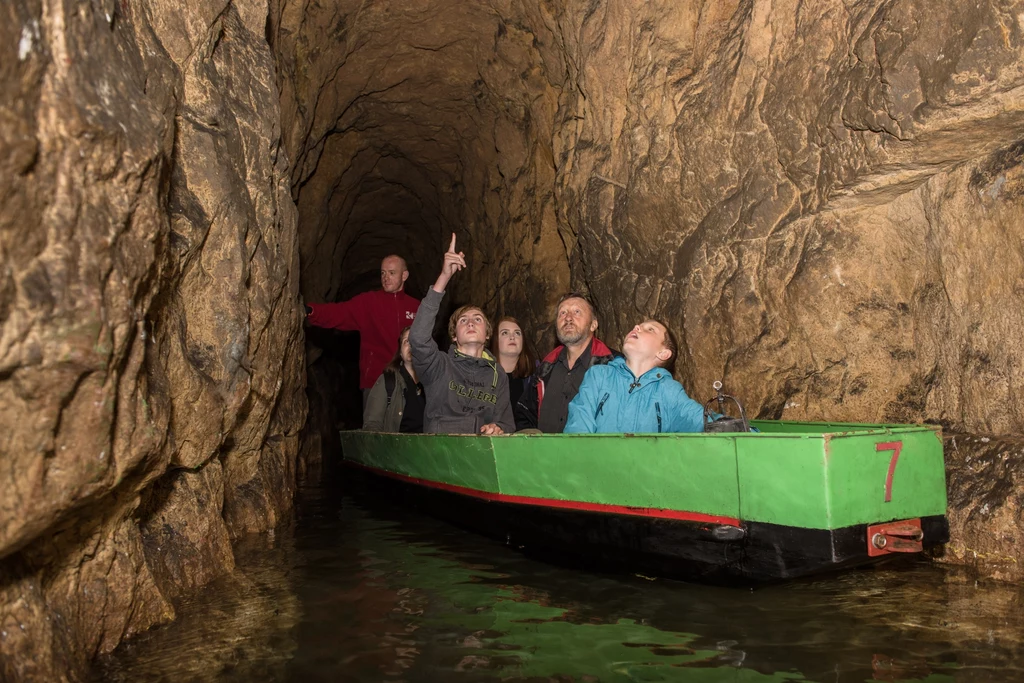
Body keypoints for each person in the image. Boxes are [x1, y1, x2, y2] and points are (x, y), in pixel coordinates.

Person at [409, 234, 514, 435]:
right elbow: (418, 338)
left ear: (487, 334)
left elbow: (507, 423)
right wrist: (443, 278)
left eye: (478, 319)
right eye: (463, 320)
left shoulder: (497, 375)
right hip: (441, 454)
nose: (471, 322)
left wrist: (498, 428)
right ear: (454, 336)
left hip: (478, 456)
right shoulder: (438, 365)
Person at [305, 255, 419, 404]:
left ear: (404, 275)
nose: (386, 277)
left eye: (391, 273)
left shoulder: (416, 307)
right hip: (375, 381)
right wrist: (312, 311)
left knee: (407, 426)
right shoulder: (368, 302)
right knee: (375, 427)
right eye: (383, 273)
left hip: (408, 381)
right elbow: (340, 313)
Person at [564, 320, 705, 434]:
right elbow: (578, 426)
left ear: (663, 353)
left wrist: (723, 423)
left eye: (650, 329)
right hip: (597, 466)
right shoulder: (599, 376)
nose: (637, 326)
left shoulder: (668, 391)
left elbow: (698, 419)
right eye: (638, 325)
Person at [514, 293, 618, 433]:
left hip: (592, 453)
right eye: (562, 313)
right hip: (545, 453)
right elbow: (524, 414)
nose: (568, 318)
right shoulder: (545, 368)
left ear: (593, 324)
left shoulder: (614, 366)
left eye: (577, 312)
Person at [362, 327, 425, 433]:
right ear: (400, 352)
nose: (411, 345)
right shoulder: (388, 381)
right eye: (406, 341)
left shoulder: (433, 383)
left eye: (416, 341)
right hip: (397, 448)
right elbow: (372, 425)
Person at [490, 317, 536, 430]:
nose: (512, 337)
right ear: (496, 340)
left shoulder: (536, 377)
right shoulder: (483, 376)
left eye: (517, 333)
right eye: (505, 333)